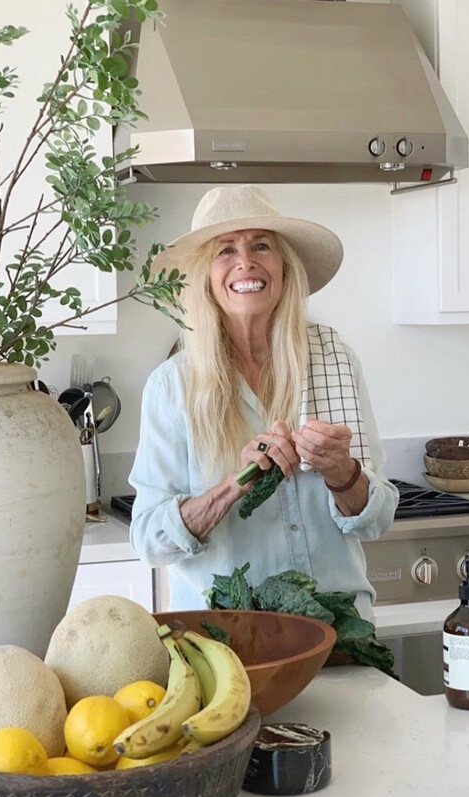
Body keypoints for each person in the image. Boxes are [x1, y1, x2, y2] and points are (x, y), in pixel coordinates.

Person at [129, 185, 399, 619]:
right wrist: (234, 484)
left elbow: (376, 520)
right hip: (229, 639)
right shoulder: (172, 387)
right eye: (225, 250)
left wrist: (341, 471)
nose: (245, 262)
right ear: (205, 277)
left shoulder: (335, 362)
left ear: (285, 267)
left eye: (261, 246)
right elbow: (149, 540)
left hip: (339, 631)